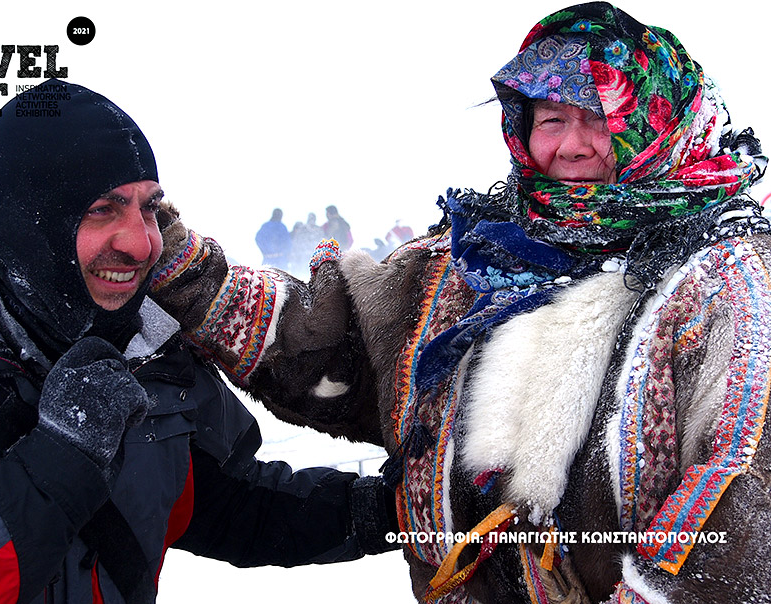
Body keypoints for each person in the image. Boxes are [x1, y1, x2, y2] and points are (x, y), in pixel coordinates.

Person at [148, 3, 771, 602]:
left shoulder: (727, 287)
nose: (572, 146)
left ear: (661, 124)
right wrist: (175, 264)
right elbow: (325, 348)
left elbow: (736, 538)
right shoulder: (471, 259)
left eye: (602, 118)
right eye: (552, 118)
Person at [0, 79, 399, 604]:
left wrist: (388, 512)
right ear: (27, 222)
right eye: (103, 209)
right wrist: (60, 460)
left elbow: (228, 502)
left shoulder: (152, 342)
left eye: (149, 208)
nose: (144, 242)